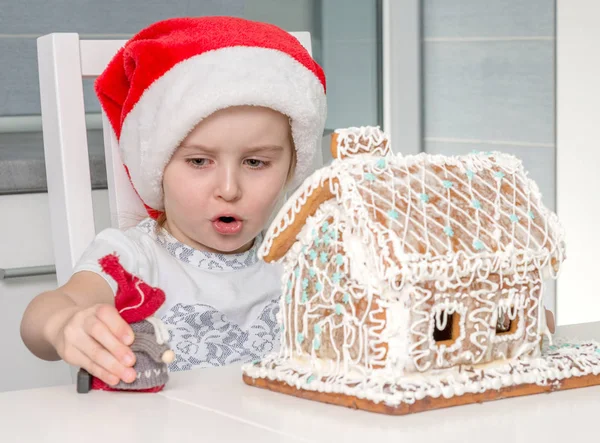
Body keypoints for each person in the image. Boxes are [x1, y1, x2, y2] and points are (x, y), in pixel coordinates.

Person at [20, 16, 327, 388]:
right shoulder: (132, 258)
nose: (229, 189)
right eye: (199, 161)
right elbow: (43, 315)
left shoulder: (306, 258)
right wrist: (64, 324)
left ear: (292, 168)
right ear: (158, 167)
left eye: (255, 162)